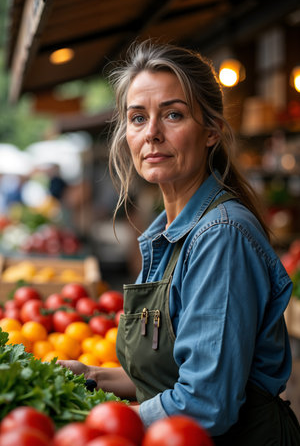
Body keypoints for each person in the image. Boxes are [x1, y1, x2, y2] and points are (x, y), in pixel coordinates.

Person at [58, 40, 300, 444]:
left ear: (211, 132)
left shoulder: (220, 236)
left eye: (173, 115)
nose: (152, 133)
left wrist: (100, 426)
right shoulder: (168, 233)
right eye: (138, 118)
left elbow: (204, 403)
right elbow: (171, 376)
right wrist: (93, 377)